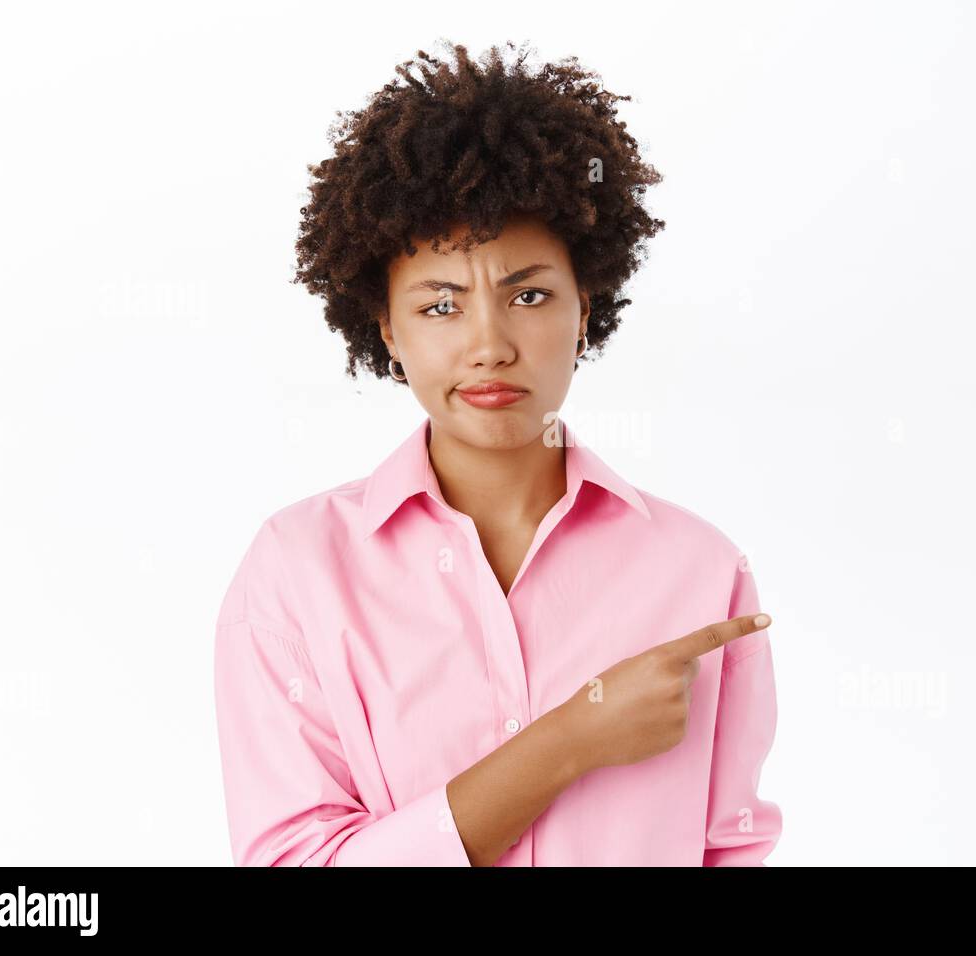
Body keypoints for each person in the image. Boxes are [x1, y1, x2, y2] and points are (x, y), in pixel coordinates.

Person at [213, 40, 781, 866]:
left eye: (529, 295)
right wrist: (572, 738)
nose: (489, 344)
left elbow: (733, 850)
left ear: (585, 309)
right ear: (387, 330)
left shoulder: (700, 572)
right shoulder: (295, 575)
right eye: (441, 306)